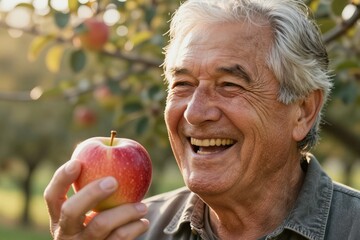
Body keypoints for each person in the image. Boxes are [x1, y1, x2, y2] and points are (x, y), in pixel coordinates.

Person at [44, 0, 360, 239]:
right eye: (182, 84)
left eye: (229, 85)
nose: (195, 112)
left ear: (303, 111)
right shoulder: (132, 233)